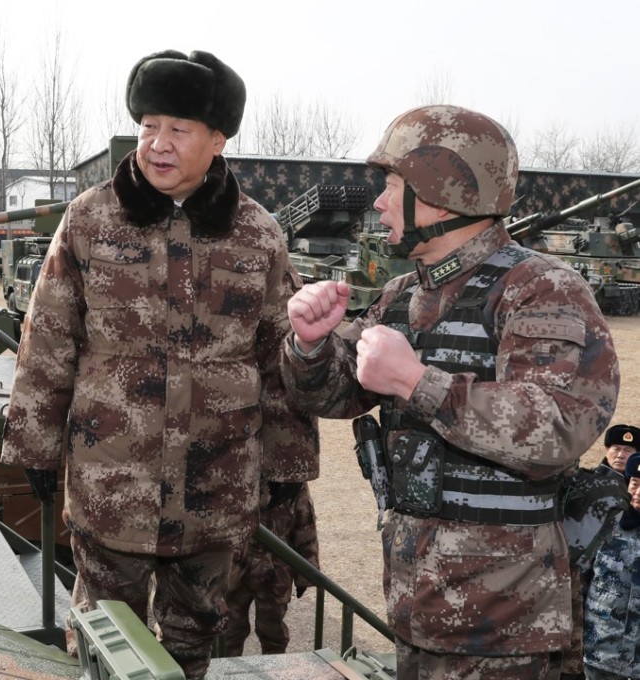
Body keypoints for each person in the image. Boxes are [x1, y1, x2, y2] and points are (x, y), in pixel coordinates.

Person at [0, 49, 318, 678]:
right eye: (148, 126)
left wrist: (286, 465)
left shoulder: (258, 234)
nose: (157, 143)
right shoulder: (90, 218)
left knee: (197, 644)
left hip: (215, 491)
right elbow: (50, 336)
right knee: (101, 643)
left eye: (179, 129)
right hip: (112, 486)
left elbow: (279, 354)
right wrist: (33, 444)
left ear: (219, 138)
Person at [280, 104, 620, 679]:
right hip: (419, 603)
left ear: (443, 193)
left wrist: (418, 383)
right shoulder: (402, 294)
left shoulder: (540, 290)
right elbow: (333, 395)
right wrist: (311, 346)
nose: (380, 203)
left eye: (391, 186)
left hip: (508, 627)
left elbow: (561, 426)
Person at [224, 479, 318, 656]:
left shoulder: (291, 477)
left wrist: (306, 572)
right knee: (229, 631)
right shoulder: (232, 466)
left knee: (274, 634)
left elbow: (304, 522)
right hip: (235, 568)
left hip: (275, 571)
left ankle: (274, 671)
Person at [583, 451, 640, 680]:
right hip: (600, 655)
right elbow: (579, 583)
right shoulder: (605, 526)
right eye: (635, 483)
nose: (638, 493)